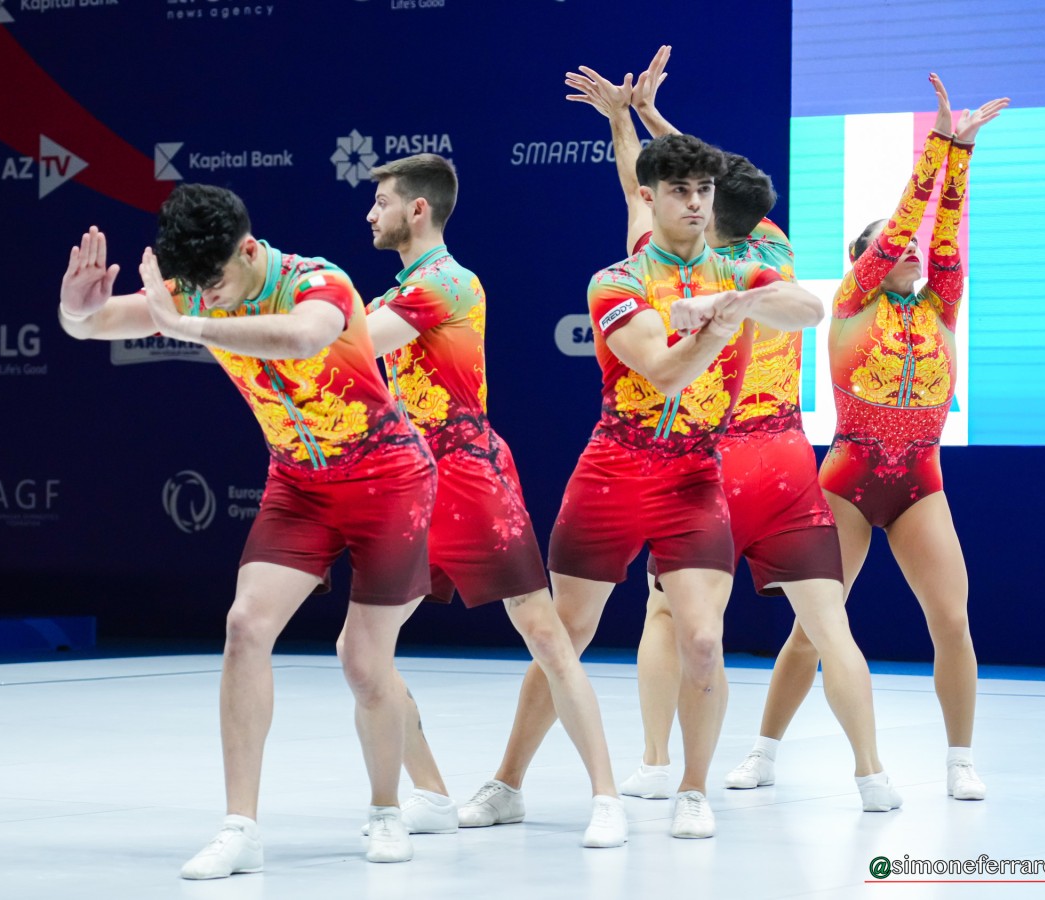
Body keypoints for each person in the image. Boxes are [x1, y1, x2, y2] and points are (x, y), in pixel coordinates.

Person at [57, 184, 438, 877]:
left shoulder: (317, 282)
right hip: (299, 484)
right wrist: (76, 311)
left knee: (363, 662)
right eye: (197, 290)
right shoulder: (195, 293)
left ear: (251, 251)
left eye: (218, 284)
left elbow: (301, 338)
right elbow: (97, 323)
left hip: (387, 479)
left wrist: (185, 326)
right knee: (245, 627)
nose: (209, 298)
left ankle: (387, 809)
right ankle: (241, 829)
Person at [458, 132, 825, 839]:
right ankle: (507, 783)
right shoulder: (616, 282)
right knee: (564, 635)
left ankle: (693, 790)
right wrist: (716, 326)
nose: (695, 202)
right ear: (648, 199)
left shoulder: (740, 270)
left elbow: (808, 310)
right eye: (680, 191)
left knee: (703, 640)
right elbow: (663, 370)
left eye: (704, 190)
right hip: (615, 470)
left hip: (695, 475)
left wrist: (731, 304)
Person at [563, 50, 901, 815]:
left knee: (671, 617)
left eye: (699, 192)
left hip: (709, 462)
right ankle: (873, 776)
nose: (691, 199)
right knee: (829, 625)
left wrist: (627, 121)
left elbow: (644, 191)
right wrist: (649, 117)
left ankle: (659, 765)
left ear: (706, 210)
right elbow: (706, 180)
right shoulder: (773, 253)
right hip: (786, 459)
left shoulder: (691, 270)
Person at [724, 76, 1008, 803]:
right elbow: (909, 222)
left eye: (914, 248)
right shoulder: (852, 301)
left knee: (952, 618)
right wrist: (937, 146)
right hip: (848, 480)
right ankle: (762, 751)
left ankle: (960, 759)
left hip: (919, 481)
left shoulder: (941, 305)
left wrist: (961, 153)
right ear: (864, 259)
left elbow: (943, 230)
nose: (912, 250)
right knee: (811, 630)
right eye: (892, 244)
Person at [346, 153, 625, 848]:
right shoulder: (394, 293)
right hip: (411, 481)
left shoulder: (446, 282)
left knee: (546, 635)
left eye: (381, 202)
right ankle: (432, 793)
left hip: (469, 475)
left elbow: (351, 347)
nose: (370, 214)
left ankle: (607, 799)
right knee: (361, 649)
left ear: (417, 209)